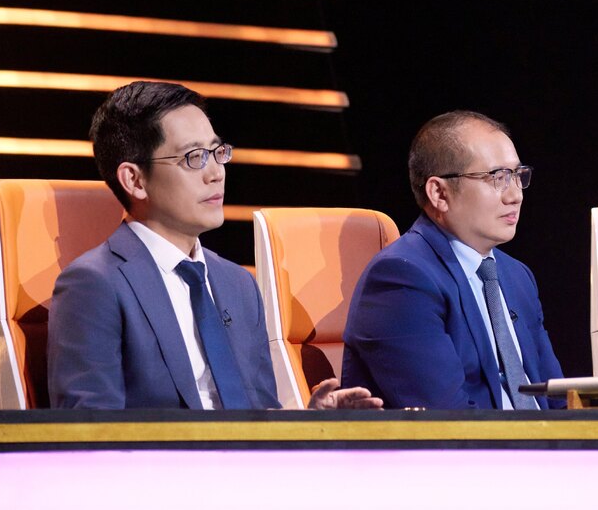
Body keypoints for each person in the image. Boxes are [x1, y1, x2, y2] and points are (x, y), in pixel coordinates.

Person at [48, 80, 382, 411]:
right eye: (194, 157)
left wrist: (309, 425)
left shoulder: (238, 283)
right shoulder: (94, 285)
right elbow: (91, 431)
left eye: (217, 152)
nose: (216, 173)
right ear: (134, 180)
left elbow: (260, 413)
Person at [342, 110, 564, 409]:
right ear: (439, 193)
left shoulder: (517, 275)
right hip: (475, 439)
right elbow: (448, 419)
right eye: (497, 177)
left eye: (516, 175)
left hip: (545, 438)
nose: (515, 195)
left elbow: (559, 400)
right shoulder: (401, 279)